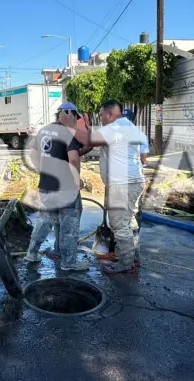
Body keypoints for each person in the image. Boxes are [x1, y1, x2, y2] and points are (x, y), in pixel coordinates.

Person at [67, 100, 149, 274]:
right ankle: (134, 258)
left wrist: (69, 126)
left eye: (102, 115)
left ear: (110, 114)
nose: (101, 119)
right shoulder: (127, 127)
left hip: (122, 184)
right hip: (133, 182)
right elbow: (92, 143)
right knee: (129, 222)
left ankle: (125, 263)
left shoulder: (114, 128)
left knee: (119, 225)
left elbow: (88, 139)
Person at [24, 102, 88, 271]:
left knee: (44, 221)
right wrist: (77, 179)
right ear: (71, 114)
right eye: (76, 118)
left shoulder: (45, 129)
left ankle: (32, 253)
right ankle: (69, 263)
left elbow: (32, 153)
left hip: (46, 185)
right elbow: (73, 158)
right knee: (69, 225)